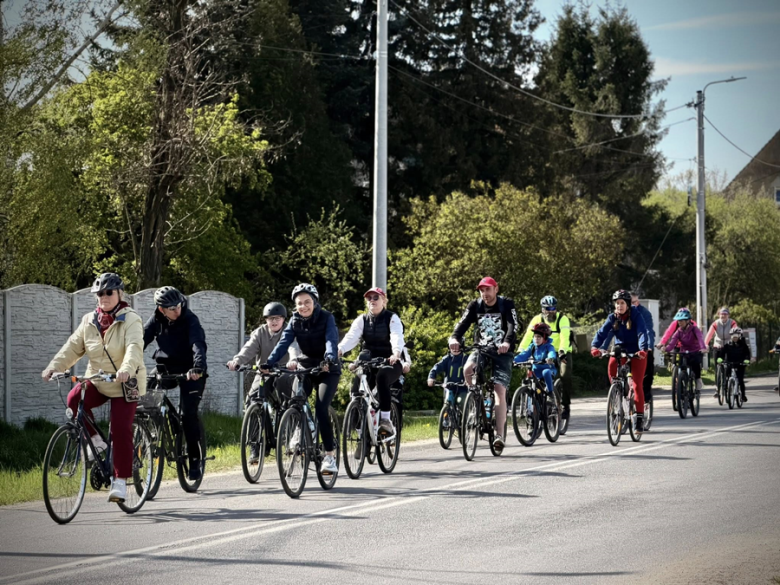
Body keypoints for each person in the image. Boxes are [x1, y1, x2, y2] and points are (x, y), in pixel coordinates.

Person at [42, 273, 146, 503]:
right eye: (100, 293)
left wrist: (126, 368)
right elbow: (72, 347)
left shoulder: (131, 319)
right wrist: (53, 367)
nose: (104, 297)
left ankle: (119, 481)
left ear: (119, 294)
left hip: (124, 383)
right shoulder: (89, 320)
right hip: (98, 379)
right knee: (73, 399)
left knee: (119, 428)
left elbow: (134, 348)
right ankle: (97, 444)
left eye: (109, 292)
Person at [262, 283, 341, 475]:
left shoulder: (326, 317)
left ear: (314, 302)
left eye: (307, 302)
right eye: (299, 303)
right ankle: (303, 432)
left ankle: (329, 456)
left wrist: (330, 357)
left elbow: (331, 340)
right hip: (306, 366)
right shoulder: (295, 321)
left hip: (327, 368)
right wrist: (269, 362)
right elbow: (283, 343)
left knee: (321, 407)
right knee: (296, 402)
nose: (303, 306)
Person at [143, 286, 207, 481]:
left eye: (178, 305)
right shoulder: (156, 319)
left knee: (188, 414)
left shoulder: (190, 319)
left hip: (191, 371)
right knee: (145, 396)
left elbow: (198, 344)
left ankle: (195, 460)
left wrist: (198, 367)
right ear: (161, 309)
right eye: (172, 308)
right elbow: (139, 342)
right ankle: (160, 428)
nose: (177, 310)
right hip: (166, 368)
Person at [449, 276, 520, 453]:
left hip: (503, 352)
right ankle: (474, 401)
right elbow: (463, 323)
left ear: (496, 289)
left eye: (488, 289)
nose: (485, 294)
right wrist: (454, 338)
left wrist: (507, 342)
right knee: (467, 369)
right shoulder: (475, 305)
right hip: (482, 348)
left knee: (499, 389)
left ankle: (499, 435)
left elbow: (513, 325)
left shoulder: (506, 304)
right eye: (482, 290)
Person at [339, 287, 405, 436]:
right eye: (369, 298)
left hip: (389, 361)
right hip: (368, 362)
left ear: (384, 300)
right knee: (356, 391)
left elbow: (397, 336)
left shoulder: (392, 317)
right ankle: (361, 433)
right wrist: (339, 350)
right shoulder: (362, 320)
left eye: (376, 297)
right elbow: (351, 337)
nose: (372, 301)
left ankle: (386, 420)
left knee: (382, 378)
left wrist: (395, 353)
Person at [591, 289, 650, 433]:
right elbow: (602, 333)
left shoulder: (636, 316)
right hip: (621, 350)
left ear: (628, 304)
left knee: (637, 385)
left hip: (637, 352)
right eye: (617, 303)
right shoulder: (613, 318)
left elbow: (642, 332)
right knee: (611, 363)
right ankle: (617, 391)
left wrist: (642, 349)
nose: (619, 306)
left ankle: (639, 420)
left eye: (622, 303)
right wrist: (595, 347)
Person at [518, 295, 573, 421]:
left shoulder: (562, 319)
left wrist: (562, 351)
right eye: (547, 308)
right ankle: (537, 406)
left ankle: (565, 406)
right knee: (534, 375)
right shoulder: (537, 319)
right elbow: (528, 336)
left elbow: (565, 336)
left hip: (561, 351)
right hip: (542, 350)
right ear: (542, 309)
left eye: (553, 308)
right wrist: (520, 351)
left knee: (565, 375)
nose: (550, 311)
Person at [663, 308, 707, 397]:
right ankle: (682, 384)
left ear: (688, 321)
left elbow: (700, 339)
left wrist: (703, 348)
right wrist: (666, 349)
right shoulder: (678, 331)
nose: (679, 323)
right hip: (684, 352)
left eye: (681, 321)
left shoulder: (695, 329)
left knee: (695, 364)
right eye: (678, 321)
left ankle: (698, 380)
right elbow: (672, 343)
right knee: (681, 365)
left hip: (695, 351)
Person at [428, 345, 469, 429]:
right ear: (449, 348)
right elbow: (436, 367)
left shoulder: (466, 359)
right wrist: (431, 377)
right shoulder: (447, 359)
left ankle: (465, 419)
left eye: (458, 347)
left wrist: (468, 380)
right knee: (447, 402)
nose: (455, 349)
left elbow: (472, 370)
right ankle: (446, 419)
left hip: (462, 388)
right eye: (452, 347)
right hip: (449, 387)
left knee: (461, 401)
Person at [514, 322, 558, 397]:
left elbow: (552, 353)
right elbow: (523, 355)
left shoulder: (549, 346)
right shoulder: (532, 346)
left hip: (548, 369)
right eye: (535, 337)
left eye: (539, 337)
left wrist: (550, 358)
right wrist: (513, 360)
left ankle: (550, 394)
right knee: (529, 381)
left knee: (546, 372)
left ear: (544, 338)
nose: (536, 339)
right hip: (536, 371)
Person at [631, 292, 656, 408]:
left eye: (633, 302)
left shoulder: (644, 313)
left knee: (647, 369)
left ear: (638, 302)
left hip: (643, 345)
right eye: (629, 303)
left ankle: (645, 397)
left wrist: (648, 347)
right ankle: (618, 392)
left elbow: (648, 331)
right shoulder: (620, 313)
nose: (631, 305)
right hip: (628, 345)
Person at [705, 307, 738, 393]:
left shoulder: (732, 323)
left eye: (725, 314)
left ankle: (728, 382)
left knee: (729, 365)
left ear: (728, 315)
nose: (723, 316)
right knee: (718, 367)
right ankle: (717, 387)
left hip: (728, 345)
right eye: (721, 314)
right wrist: (705, 344)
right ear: (719, 315)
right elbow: (709, 335)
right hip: (718, 345)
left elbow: (736, 333)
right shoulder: (715, 324)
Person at [722, 326, 751, 402]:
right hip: (730, 363)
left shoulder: (743, 345)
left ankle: (743, 395)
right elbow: (722, 353)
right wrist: (720, 359)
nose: (734, 337)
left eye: (736, 336)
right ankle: (726, 392)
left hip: (740, 364)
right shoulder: (727, 345)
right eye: (733, 336)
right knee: (726, 377)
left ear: (740, 336)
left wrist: (746, 360)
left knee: (740, 380)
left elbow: (747, 354)